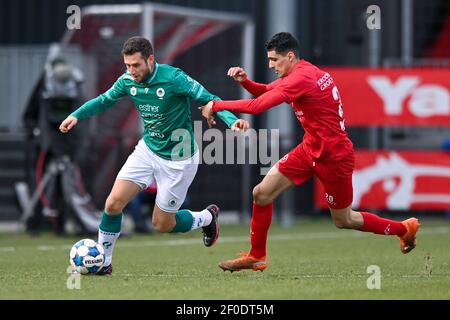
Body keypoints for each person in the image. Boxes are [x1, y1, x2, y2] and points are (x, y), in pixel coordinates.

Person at [201, 32, 420, 272]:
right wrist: (245, 82)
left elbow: (257, 106)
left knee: (343, 220)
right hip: (309, 149)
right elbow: (264, 92)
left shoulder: (301, 79)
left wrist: (216, 104)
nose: (271, 65)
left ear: (291, 56)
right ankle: (257, 256)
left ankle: (403, 229)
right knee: (261, 193)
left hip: (334, 157)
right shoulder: (300, 72)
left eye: (274, 60)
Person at [59, 36, 249, 275]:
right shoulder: (128, 81)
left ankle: (206, 218)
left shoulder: (174, 78)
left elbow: (211, 99)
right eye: (127, 65)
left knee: (162, 224)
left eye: (136, 65)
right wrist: (76, 114)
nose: (131, 71)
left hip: (179, 160)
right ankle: (104, 262)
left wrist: (232, 122)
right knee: (113, 203)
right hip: (148, 151)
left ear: (150, 59)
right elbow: (104, 100)